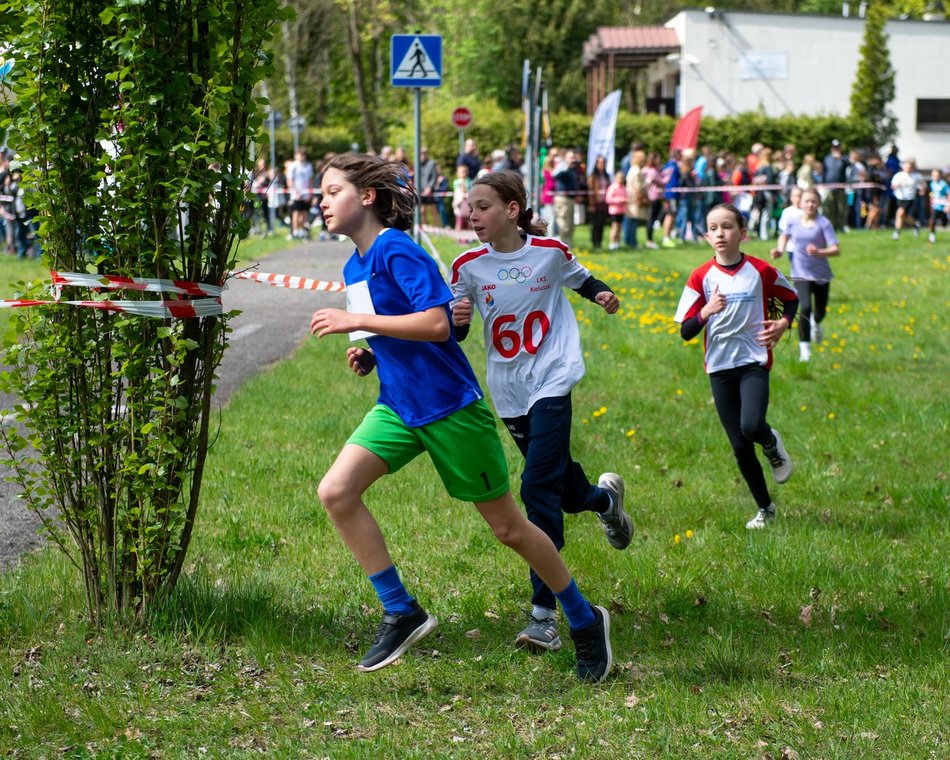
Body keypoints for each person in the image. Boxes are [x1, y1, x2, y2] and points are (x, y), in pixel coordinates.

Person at [309, 153, 613, 683]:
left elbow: (435, 325)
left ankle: (586, 621)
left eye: (333, 190)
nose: (323, 201)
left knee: (509, 528)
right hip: (399, 407)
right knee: (336, 492)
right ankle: (401, 610)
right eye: (322, 193)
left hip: (450, 407)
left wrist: (354, 319)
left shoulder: (397, 249)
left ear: (368, 197)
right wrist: (368, 350)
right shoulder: (354, 265)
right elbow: (387, 329)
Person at [449, 169, 632, 655]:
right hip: (508, 388)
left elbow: (582, 279)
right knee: (560, 488)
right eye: (470, 207)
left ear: (512, 210)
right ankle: (602, 501)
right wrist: (458, 321)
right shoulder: (466, 265)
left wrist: (603, 294)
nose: (473, 215)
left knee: (535, 487)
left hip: (553, 375)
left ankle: (544, 615)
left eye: (483, 206)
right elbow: (457, 328)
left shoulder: (550, 252)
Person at [675, 203, 799, 529]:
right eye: (713, 228)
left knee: (752, 425)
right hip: (719, 367)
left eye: (727, 227)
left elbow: (792, 298)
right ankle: (766, 509)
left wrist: (784, 324)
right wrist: (707, 310)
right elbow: (686, 331)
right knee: (740, 446)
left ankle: (771, 443)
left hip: (753, 361)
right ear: (706, 236)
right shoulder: (700, 277)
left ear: (742, 233)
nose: (720, 233)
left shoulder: (761, 270)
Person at [770, 188, 839, 363]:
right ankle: (805, 351)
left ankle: (817, 324)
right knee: (805, 309)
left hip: (821, 274)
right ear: (800, 203)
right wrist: (779, 250)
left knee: (820, 312)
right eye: (807, 201)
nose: (810, 204)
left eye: (813, 201)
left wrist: (819, 252)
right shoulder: (793, 222)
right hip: (800, 273)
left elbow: (836, 249)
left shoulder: (824, 223)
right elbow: (784, 236)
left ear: (818, 204)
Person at [890, 158, 923, 240]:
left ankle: (897, 233)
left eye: (910, 167)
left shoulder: (916, 176)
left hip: (910, 198)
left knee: (900, 212)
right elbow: (892, 186)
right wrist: (896, 185)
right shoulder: (898, 175)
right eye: (907, 167)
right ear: (903, 167)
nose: (908, 169)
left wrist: (922, 189)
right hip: (899, 197)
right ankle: (916, 225)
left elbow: (923, 184)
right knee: (904, 216)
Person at [552, 149, 579, 246]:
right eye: (571, 157)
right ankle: (563, 245)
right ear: (566, 158)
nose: (573, 159)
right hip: (562, 199)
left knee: (571, 224)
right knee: (564, 224)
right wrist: (566, 167)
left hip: (570, 199)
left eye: (574, 157)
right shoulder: (562, 166)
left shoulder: (573, 169)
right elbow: (554, 175)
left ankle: (568, 245)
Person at [821, 139, 849, 230]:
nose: (836, 149)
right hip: (829, 187)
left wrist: (840, 158)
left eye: (837, 147)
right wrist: (823, 183)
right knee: (830, 208)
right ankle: (831, 226)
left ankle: (841, 226)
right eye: (834, 147)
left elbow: (849, 164)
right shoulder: (827, 158)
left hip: (840, 188)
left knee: (841, 208)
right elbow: (824, 172)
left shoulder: (844, 158)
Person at [287, 147, 315, 240]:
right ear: (296, 155)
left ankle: (302, 230)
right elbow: (290, 180)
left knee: (304, 212)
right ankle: (295, 231)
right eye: (300, 154)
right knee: (296, 213)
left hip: (305, 192)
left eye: (303, 154)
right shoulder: (293, 166)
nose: (302, 156)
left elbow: (311, 179)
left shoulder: (308, 166)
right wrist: (294, 191)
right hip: (296, 193)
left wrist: (310, 192)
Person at [624, 149, 649, 248]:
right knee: (633, 221)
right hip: (635, 198)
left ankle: (628, 241)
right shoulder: (637, 171)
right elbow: (638, 186)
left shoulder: (632, 169)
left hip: (631, 198)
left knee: (630, 220)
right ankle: (632, 242)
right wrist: (642, 197)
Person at [587, 155, 610, 250]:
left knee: (602, 224)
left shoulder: (606, 175)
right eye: (600, 162)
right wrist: (592, 204)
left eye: (603, 162)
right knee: (595, 224)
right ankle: (594, 242)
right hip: (596, 203)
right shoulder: (593, 176)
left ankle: (599, 242)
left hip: (604, 203)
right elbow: (591, 191)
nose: (602, 164)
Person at [605, 169, 627, 250]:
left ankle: (617, 242)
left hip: (621, 210)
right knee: (615, 227)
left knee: (619, 227)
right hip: (614, 210)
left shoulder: (624, 188)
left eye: (622, 178)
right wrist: (619, 200)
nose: (621, 179)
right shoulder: (612, 187)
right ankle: (612, 243)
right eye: (619, 178)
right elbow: (608, 199)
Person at [928, 167, 949, 244]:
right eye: (933, 176)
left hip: (943, 206)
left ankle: (944, 221)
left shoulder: (943, 184)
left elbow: (949, 194)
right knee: (932, 219)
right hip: (935, 205)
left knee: (944, 223)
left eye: (937, 176)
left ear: (940, 176)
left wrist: (948, 206)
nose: (935, 177)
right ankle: (932, 235)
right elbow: (931, 193)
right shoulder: (931, 184)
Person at [452, 163, 472, 231]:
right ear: (458, 173)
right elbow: (458, 192)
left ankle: (470, 237)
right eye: (462, 172)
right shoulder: (456, 182)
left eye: (465, 171)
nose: (464, 173)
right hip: (460, 205)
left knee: (469, 223)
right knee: (459, 222)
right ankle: (459, 236)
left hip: (467, 205)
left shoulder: (470, 181)